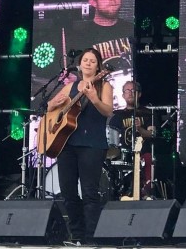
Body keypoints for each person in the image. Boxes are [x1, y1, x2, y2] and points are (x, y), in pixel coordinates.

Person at [47, 48, 113, 244]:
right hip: (67, 144)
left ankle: (91, 238)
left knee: (89, 192)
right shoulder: (71, 86)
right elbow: (51, 105)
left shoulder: (104, 85)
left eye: (93, 61)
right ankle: (77, 235)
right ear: (80, 64)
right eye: (85, 60)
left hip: (92, 144)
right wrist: (52, 105)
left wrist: (93, 98)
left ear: (98, 66)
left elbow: (108, 111)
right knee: (68, 192)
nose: (88, 63)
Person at [109, 81, 156, 197]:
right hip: (123, 154)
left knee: (149, 158)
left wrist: (139, 128)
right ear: (123, 95)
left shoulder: (148, 113)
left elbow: (152, 133)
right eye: (127, 91)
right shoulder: (116, 116)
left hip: (143, 153)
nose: (130, 93)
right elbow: (112, 140)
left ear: (139, 94)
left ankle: (146, 192)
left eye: (133, 91)